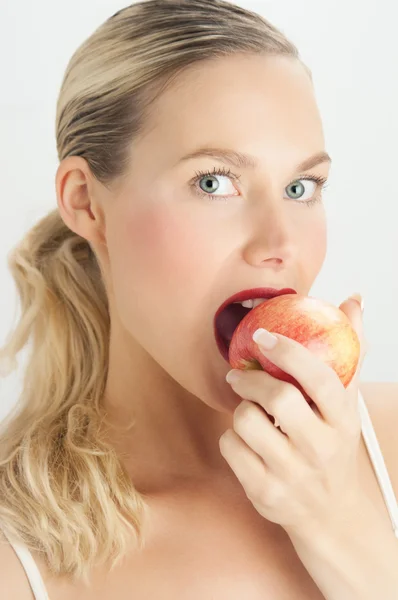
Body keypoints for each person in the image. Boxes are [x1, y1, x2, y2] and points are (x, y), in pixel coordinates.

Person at [0, 1, 397, 598]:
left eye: (300, 187)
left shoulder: (387, 443)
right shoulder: (21, 554)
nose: (279, 243)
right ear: (86, 202)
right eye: (214, 182)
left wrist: (343, 525)